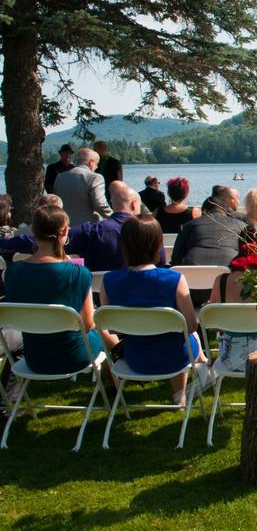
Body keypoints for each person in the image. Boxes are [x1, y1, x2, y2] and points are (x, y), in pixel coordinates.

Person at [102, 215, 208, 406]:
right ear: (157, 243)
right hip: (175, 358)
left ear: (124, 244)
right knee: (189, 336)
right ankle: (181, 394)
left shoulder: (109, 280)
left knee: (178, 336)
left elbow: (109, 327)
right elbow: (191, 326)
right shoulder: (174, 278)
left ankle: (193, 374)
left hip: (135, 358)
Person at [4, 206, 119, 374]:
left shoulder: (12, 272)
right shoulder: (78, 273)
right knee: (101, 332)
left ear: (34, 230)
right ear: (65, 230)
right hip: (74, 357)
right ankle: (117, 379)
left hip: (34, 358)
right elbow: (87, 325)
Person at [1, 183, 163, 272]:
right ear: (135, 204)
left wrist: (5, 243)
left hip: (98, 299)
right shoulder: (150, 231)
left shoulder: (92, 231)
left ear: (112, 204)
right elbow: (160, 263)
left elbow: (46, 239)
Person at [170, 196, 247, 266]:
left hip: (192, 272)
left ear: (203, 211)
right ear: (226, 212)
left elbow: (175, 259)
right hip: (228, 270)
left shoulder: (187, 226)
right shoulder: (242, 226)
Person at [54, 147, 111, 226]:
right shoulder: (95, 178)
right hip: (87, 228)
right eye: (97, 164)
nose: (97, 167)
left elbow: (56, 202)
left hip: (64, 226)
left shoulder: (60, 177)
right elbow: (100, 204)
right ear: (91, 162)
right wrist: (114, 217)